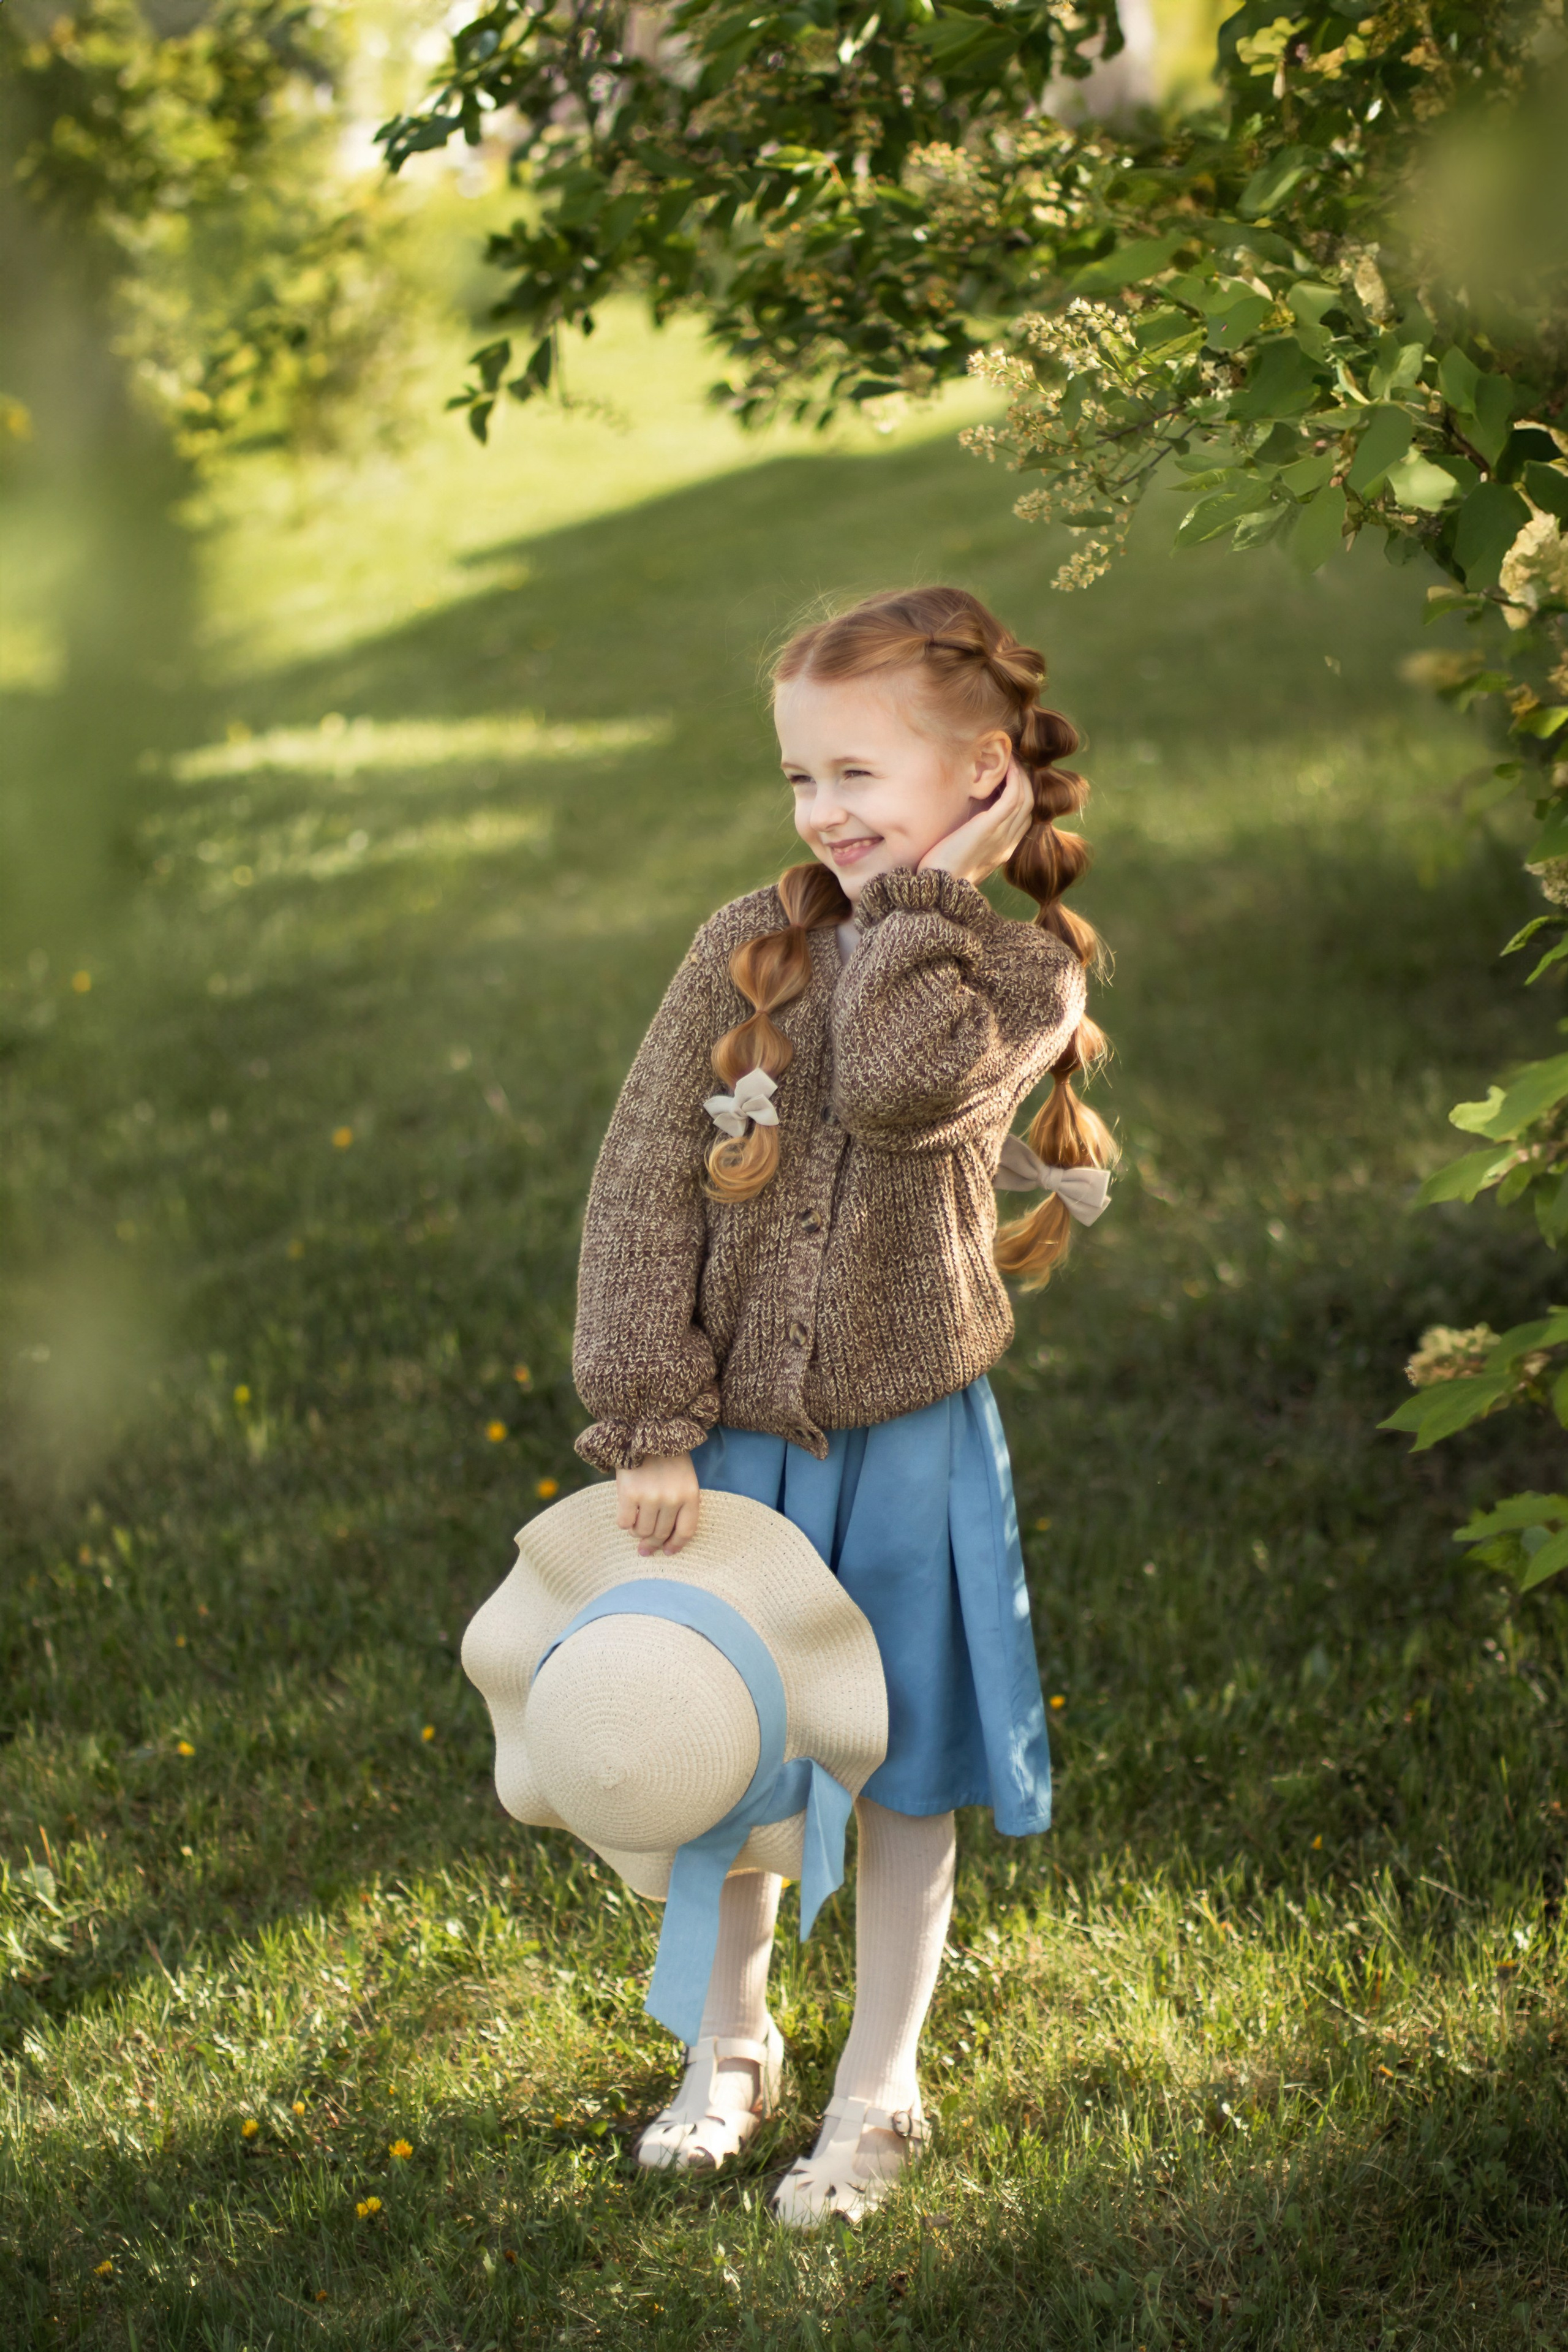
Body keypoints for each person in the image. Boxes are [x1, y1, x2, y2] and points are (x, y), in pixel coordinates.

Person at [571, 584, 1114, 2225]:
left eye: (861, 775)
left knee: (902, 1767)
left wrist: (934, 901)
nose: (824, 813)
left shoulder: (1023, 979)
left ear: (984, 774)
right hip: (736, 1440)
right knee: (720, 1750)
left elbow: (892, 1089)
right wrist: (650, 1412)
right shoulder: (747, 942)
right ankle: (729, 2044)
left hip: (911, 1448)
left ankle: (883, 2079)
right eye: (804, 778)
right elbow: (643, 1184)